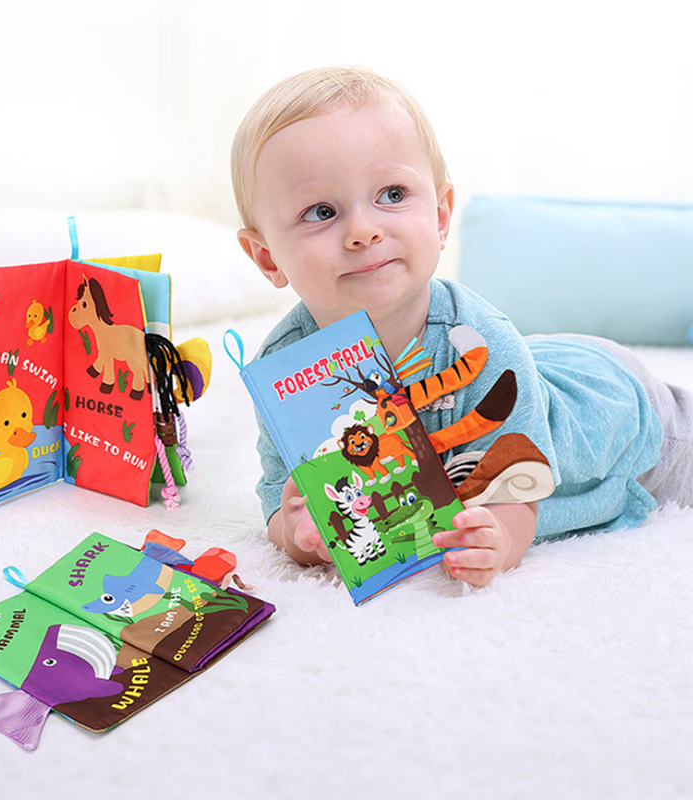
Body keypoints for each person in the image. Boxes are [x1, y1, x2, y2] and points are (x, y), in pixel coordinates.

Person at [230, 65, 693, 586]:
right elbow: (280, 502)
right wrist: (298, 533)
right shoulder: (285, 369)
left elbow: (518, 482)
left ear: (440, 216)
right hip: (530, 364)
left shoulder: (479, 338)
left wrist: (499, 540)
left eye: (392, 195)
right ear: (267, 257)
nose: (363, 230)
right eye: (320, 211)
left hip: (614, 411)